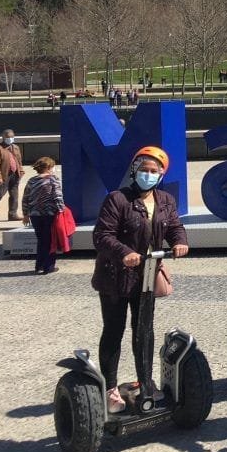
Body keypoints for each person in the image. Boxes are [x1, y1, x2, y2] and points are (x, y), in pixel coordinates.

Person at [92, 146, 189, 413]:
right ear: (135, 170)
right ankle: (110, 387)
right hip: (115, 277)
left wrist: (180, 242)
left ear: (161, 175)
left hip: (146, 276)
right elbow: (102, 236)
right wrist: (125, 253)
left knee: (144, 331)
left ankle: (145, 382)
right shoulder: (117, 199)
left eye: (154, 171)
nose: (148, 174)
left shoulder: (165, 200)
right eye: (144, 169)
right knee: (114, 330)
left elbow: (174, 227)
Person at [22, 156, 65, 274]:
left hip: (35, 215)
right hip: (49, 214)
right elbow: (57, 196)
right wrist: (62, 210)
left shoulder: (31, 180)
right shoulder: (53, 179)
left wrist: (25, 214)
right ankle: (48, 266)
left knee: (41, 240)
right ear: (49, 167)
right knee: (50, 240)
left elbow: (25, 198)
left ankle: (39, 265)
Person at [0, 128, 25, 224]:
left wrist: (21, 170)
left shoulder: (15, 147)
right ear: (3, 137)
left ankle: (13, 214)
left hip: (15, 174)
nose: (10, 139)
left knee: (14, 195)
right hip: (3, 175)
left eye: (12, 137)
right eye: (8, 137)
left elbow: (19, 161)